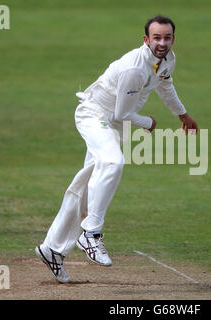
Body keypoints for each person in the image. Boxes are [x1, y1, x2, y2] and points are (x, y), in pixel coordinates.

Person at [36, 14, 198, 283]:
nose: (162, 42)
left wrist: (183, 115)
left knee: (86, 189)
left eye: (167, 37)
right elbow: (123, 113)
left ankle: (52, 249)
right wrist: (147, 121)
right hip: (95, 114)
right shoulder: (134, 68)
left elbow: (165, 84)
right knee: (113, 162)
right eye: (156, 37)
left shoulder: (168, 59)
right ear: (146, 40)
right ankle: (91, 233)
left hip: (114, 121)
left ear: (173, 39)